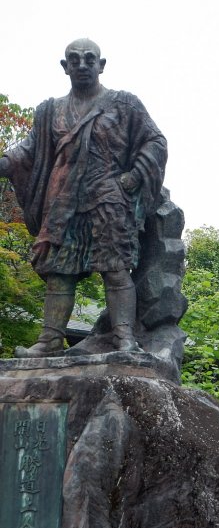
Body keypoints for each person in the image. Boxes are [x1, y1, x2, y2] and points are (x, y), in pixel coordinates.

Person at [0, 38, 167, 357]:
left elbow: (155, 141)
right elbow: (28, 150)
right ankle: (50, 340)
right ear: (65, 67)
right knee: (59, 274)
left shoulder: (124, 104)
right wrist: (6, 162)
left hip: (107, 197)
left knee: (116, 269)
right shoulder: (50, 111)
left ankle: (124, 338)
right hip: (63, 202)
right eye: (74, 60)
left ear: (101, 65)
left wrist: (132, 178)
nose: (82, 64)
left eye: (90, 59)